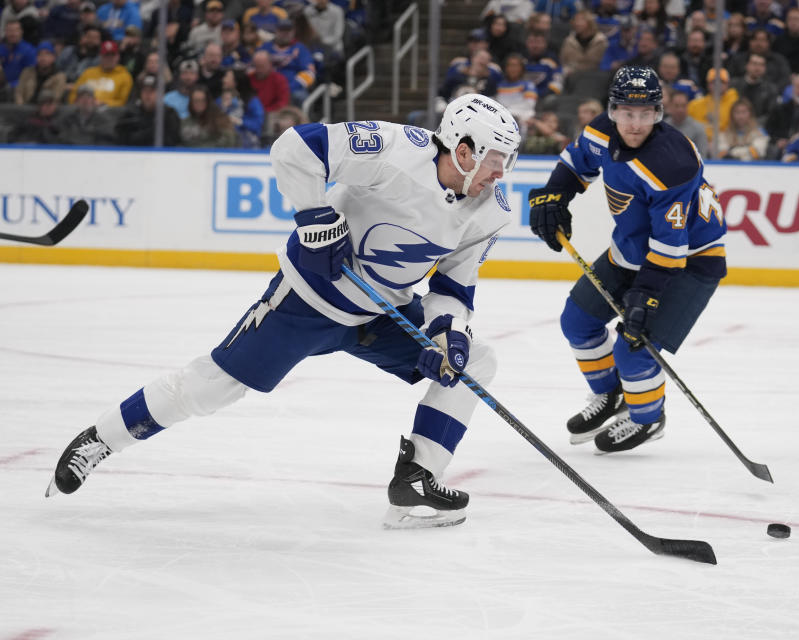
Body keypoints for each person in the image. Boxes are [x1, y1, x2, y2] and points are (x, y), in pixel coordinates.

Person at [46, 93, 523, 531]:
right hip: (309, 302)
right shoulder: (394, 149)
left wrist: (448, 333)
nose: (501, 173)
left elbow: (454, 283)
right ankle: (101, 438)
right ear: (464, 150)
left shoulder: (492, 209)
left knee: (475, 362)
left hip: (382, 314)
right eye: (496, 160)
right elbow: (295, 147)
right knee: (211, 388)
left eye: (508, 160)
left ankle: (416, 481)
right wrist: (316, 218)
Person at [527, 66, 727, 453]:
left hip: (690, 262)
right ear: (613, 110)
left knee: (632, 349)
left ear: (658, 114)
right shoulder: (602, 130)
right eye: (627, 113)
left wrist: (646, 297)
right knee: (577, 321)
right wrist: (554, 194)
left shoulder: (672, 164)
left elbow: (671, 245)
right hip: (632, 250)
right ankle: (612, 395)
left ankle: (648, 418)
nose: (635, 124)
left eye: (645, 114)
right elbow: (575, 161)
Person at [115, 74, 182, 146]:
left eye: (152, 91)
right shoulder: (130, 114)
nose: (147, 94)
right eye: (145, 90)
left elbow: (171, 142)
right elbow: (122, 140)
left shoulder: (169, 114)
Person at [69, 40, 133, 106]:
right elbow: (74, 94)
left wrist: (103, 103)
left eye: (112, 55)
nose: (109, 58)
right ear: (100, 56)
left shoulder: (125, 76)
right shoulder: (88, 72)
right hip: (82, 109)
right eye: (106, 55)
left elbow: (122, 102)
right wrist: (77, 103)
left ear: (118, 57)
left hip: (108, 112)